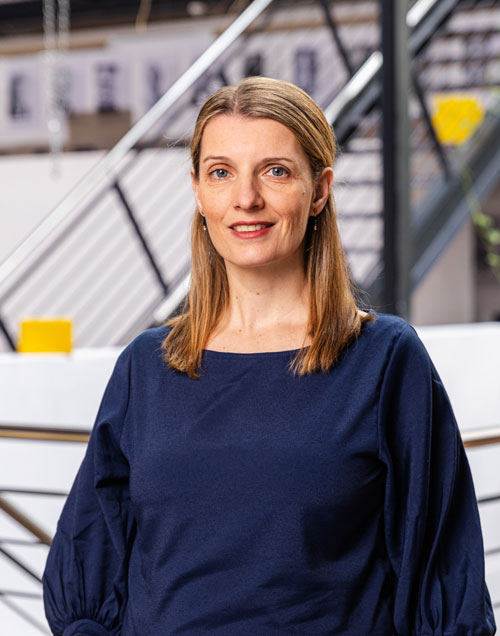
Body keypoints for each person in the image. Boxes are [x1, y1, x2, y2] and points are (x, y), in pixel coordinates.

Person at [43, 77, 496, 636]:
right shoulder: (146, 368)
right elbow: (89, 568)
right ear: (197, 191)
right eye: (221, 172)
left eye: (276, 171)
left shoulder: (384, 362)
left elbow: (443, 584)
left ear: (320, 190)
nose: (246, 198)